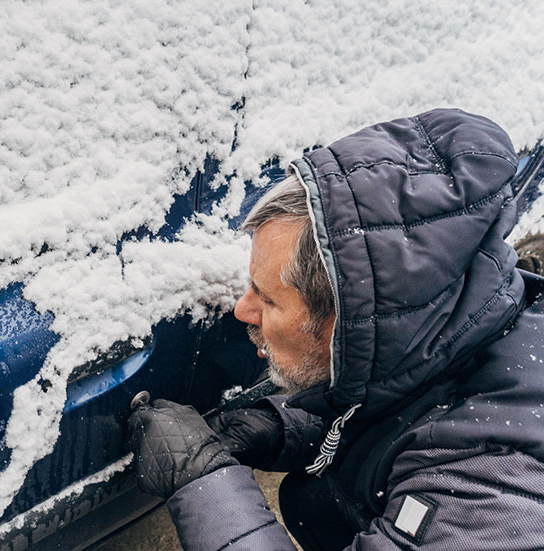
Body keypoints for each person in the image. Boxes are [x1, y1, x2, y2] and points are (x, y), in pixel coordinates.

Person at [128, 108, 544, 550]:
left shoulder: (488, 487)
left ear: (348, 326)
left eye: (267, 299)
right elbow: (407, 407)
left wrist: (206, 484)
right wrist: (290, 427)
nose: (242, 311)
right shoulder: (449, 334)